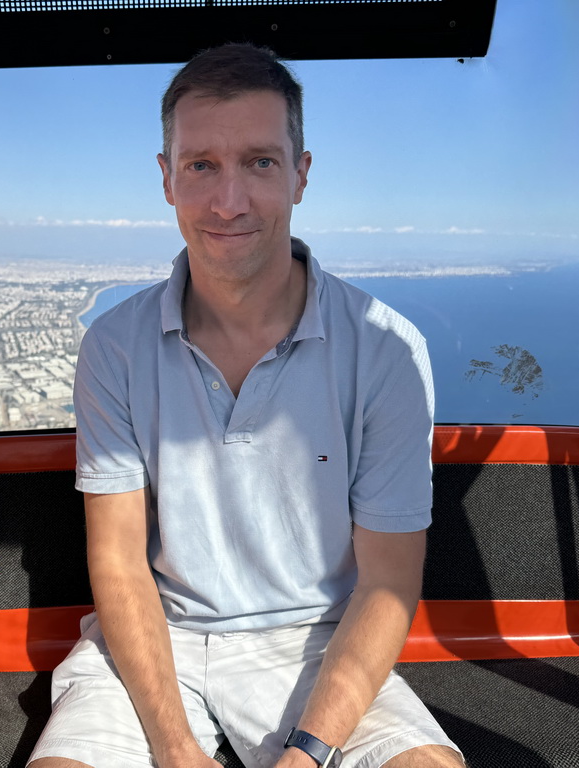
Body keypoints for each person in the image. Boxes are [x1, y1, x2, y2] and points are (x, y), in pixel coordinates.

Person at [28, 44, 464, 768]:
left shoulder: (385, 348)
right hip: (151, 637)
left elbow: (386, 581)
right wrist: (174, 747)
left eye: (259, 162)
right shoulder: (116, 346)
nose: (228, 202)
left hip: (319, 641)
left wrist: (308, 754)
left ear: (301, 174)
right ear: (167, 179)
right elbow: (119, 563)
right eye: (201, 165)